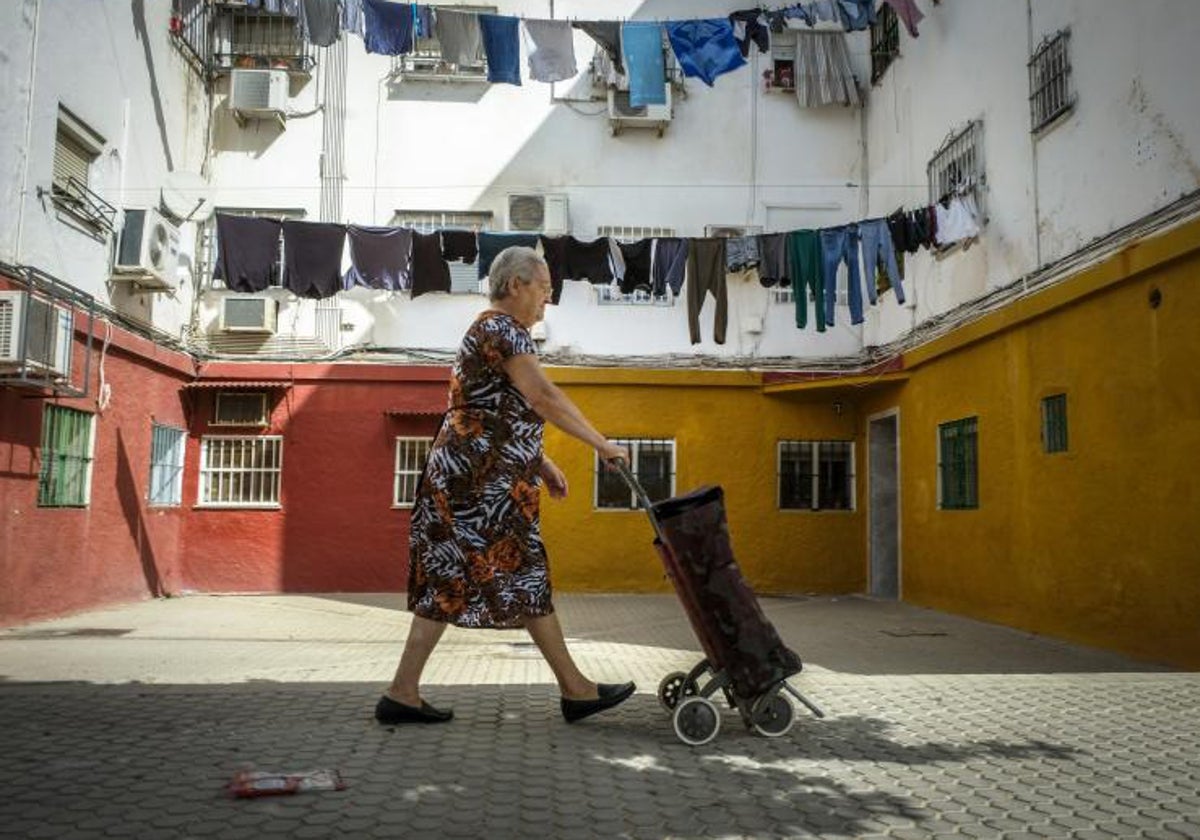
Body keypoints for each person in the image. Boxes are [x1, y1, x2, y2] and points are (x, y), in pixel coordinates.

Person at [376, 245, 635, 726]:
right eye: (544, 288)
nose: (547, 301)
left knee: (450, 579)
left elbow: (487, 411)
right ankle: (576, 691)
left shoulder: (488, 330)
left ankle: (401, 693)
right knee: (523, 573)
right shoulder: (501, 329)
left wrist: (538, 461)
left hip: (470, 477)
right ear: (515, 285)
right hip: (480, 486)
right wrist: (602, 444)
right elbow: (541, 395)